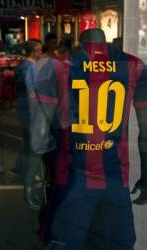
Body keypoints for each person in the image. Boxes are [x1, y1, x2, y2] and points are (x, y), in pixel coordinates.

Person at [33, 28, 147, 250]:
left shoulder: (59, 65)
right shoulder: (134, 66)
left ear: (79, 41)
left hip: (72, 183)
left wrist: (31, 176)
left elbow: (40, 133)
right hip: (115, 182)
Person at [12, 39, 43, 210]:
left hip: (21, 108)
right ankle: (29, 182)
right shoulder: (32, 68)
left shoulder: (20, 66)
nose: (41, 52)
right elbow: (33, 92)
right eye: (39, 50)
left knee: (27, 141)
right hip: (31, 110)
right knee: (34, 146)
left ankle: (21, 169)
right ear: (34, 51)